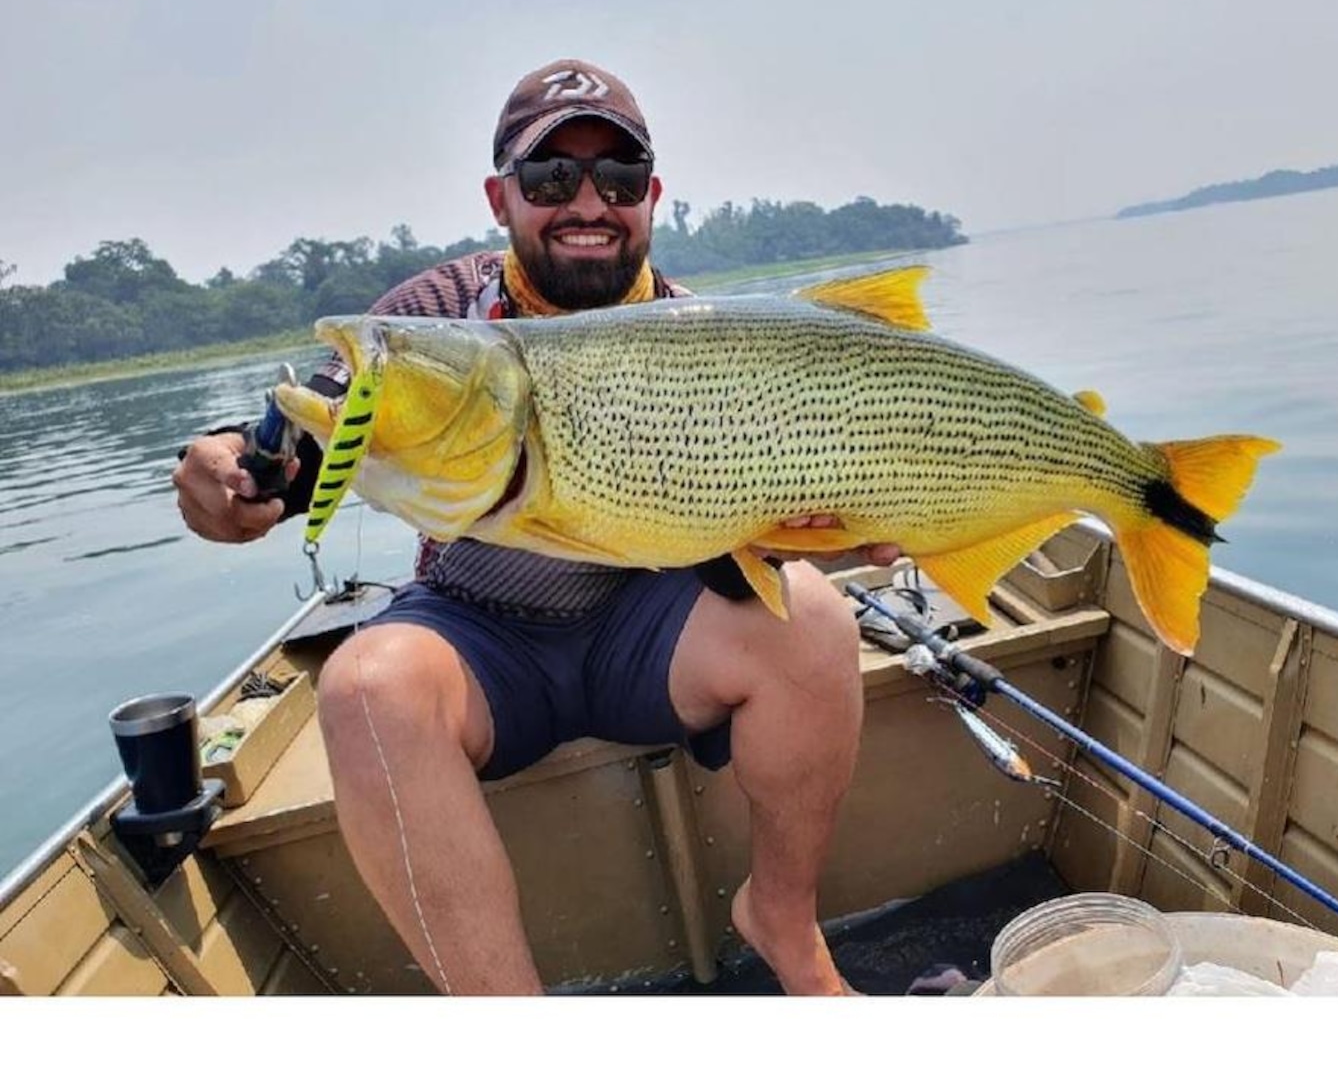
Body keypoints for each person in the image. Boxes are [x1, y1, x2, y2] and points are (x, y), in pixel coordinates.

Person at [173, 58, 898, 996]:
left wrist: (843, 531)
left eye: (618, 178)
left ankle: (787, 928)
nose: (588, 201)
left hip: (652, 627)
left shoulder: (697, 334)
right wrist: (229, 469)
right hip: (483, 636)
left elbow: (767, 533)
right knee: (364, 687)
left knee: (818, 617)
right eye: (552, 177)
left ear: (652, 198)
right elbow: (299, 450)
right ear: (500, 197)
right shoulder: (431, 319)